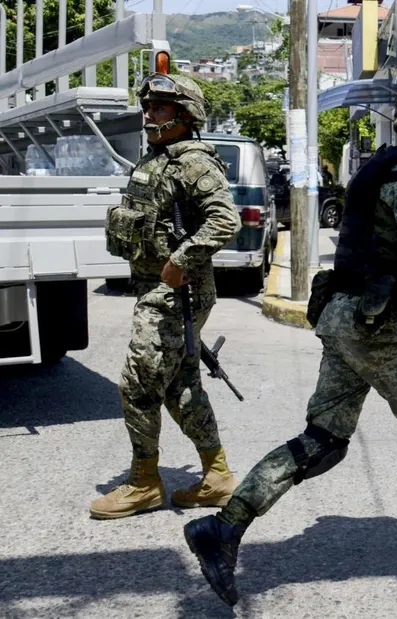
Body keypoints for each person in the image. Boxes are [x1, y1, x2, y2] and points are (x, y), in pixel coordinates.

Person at [181, 84, 397, 607]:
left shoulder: (381, 166)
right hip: (381, 327)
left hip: (344, 317)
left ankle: (223, 530)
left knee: (323, 439)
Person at [94, 72, 242, 519]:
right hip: (156, 289)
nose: (148, 113)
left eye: (159, 107)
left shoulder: (192, 162)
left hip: (176, 293)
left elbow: (225, 220)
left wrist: (179, 261)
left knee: (137, 386)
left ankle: (143, 483)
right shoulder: (158, 157)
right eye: (149, 106)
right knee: (181, 387)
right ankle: (217, 477)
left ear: (184, 114)